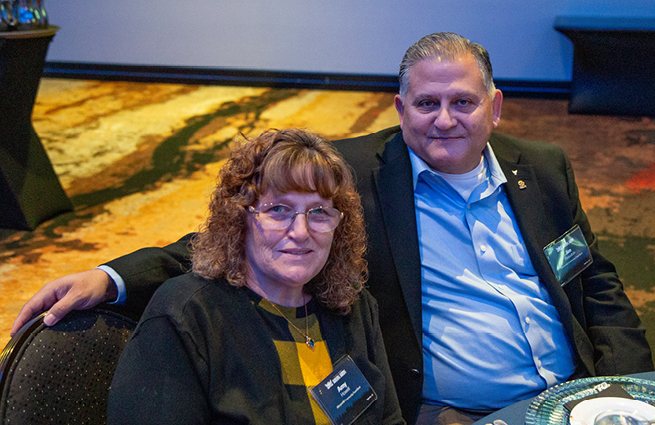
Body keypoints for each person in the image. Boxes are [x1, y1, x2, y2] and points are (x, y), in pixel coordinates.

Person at [12, 33, 653, 425]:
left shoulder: (543, 169)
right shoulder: (352, 177)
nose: (444, 120)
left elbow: (591, 279)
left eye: (463, 102)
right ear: (400, 108)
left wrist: (629, 388)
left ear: (495, 106)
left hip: (580, 396)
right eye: (426, 104)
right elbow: (236, 237)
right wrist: (111, 277)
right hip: (455, 414)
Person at [105, 128, 405, 424]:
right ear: (240, 217)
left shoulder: (351, 304)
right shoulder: (188, 316)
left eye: (318, 212)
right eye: (278, 209)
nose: (301, 232)